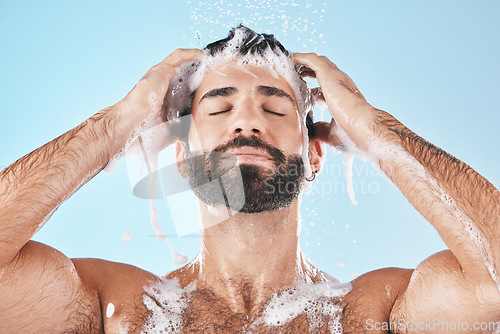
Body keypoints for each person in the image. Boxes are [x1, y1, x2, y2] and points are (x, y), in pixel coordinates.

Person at [0, 25, 498, 334]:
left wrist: (374, 128)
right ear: (179, 158)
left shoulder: (369, 313)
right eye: (219, 107)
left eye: (275, 107)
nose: (247, 123)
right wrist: (119, 121)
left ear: (315, 157)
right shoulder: (123, 310)